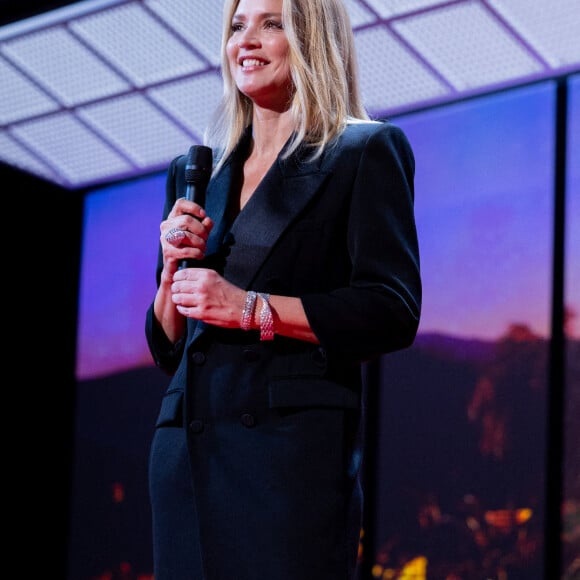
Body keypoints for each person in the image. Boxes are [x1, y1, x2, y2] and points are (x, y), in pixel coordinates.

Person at [144, 0, 421, 578]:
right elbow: (168, 345)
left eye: (272, 25)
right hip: (187, 458)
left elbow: (390, 309)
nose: (248, 41)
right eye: (238, 27)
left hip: (286, 461)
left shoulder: (363, 150)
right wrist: (172, 268)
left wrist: (248, 309)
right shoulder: (196, 171)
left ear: (313, 39)